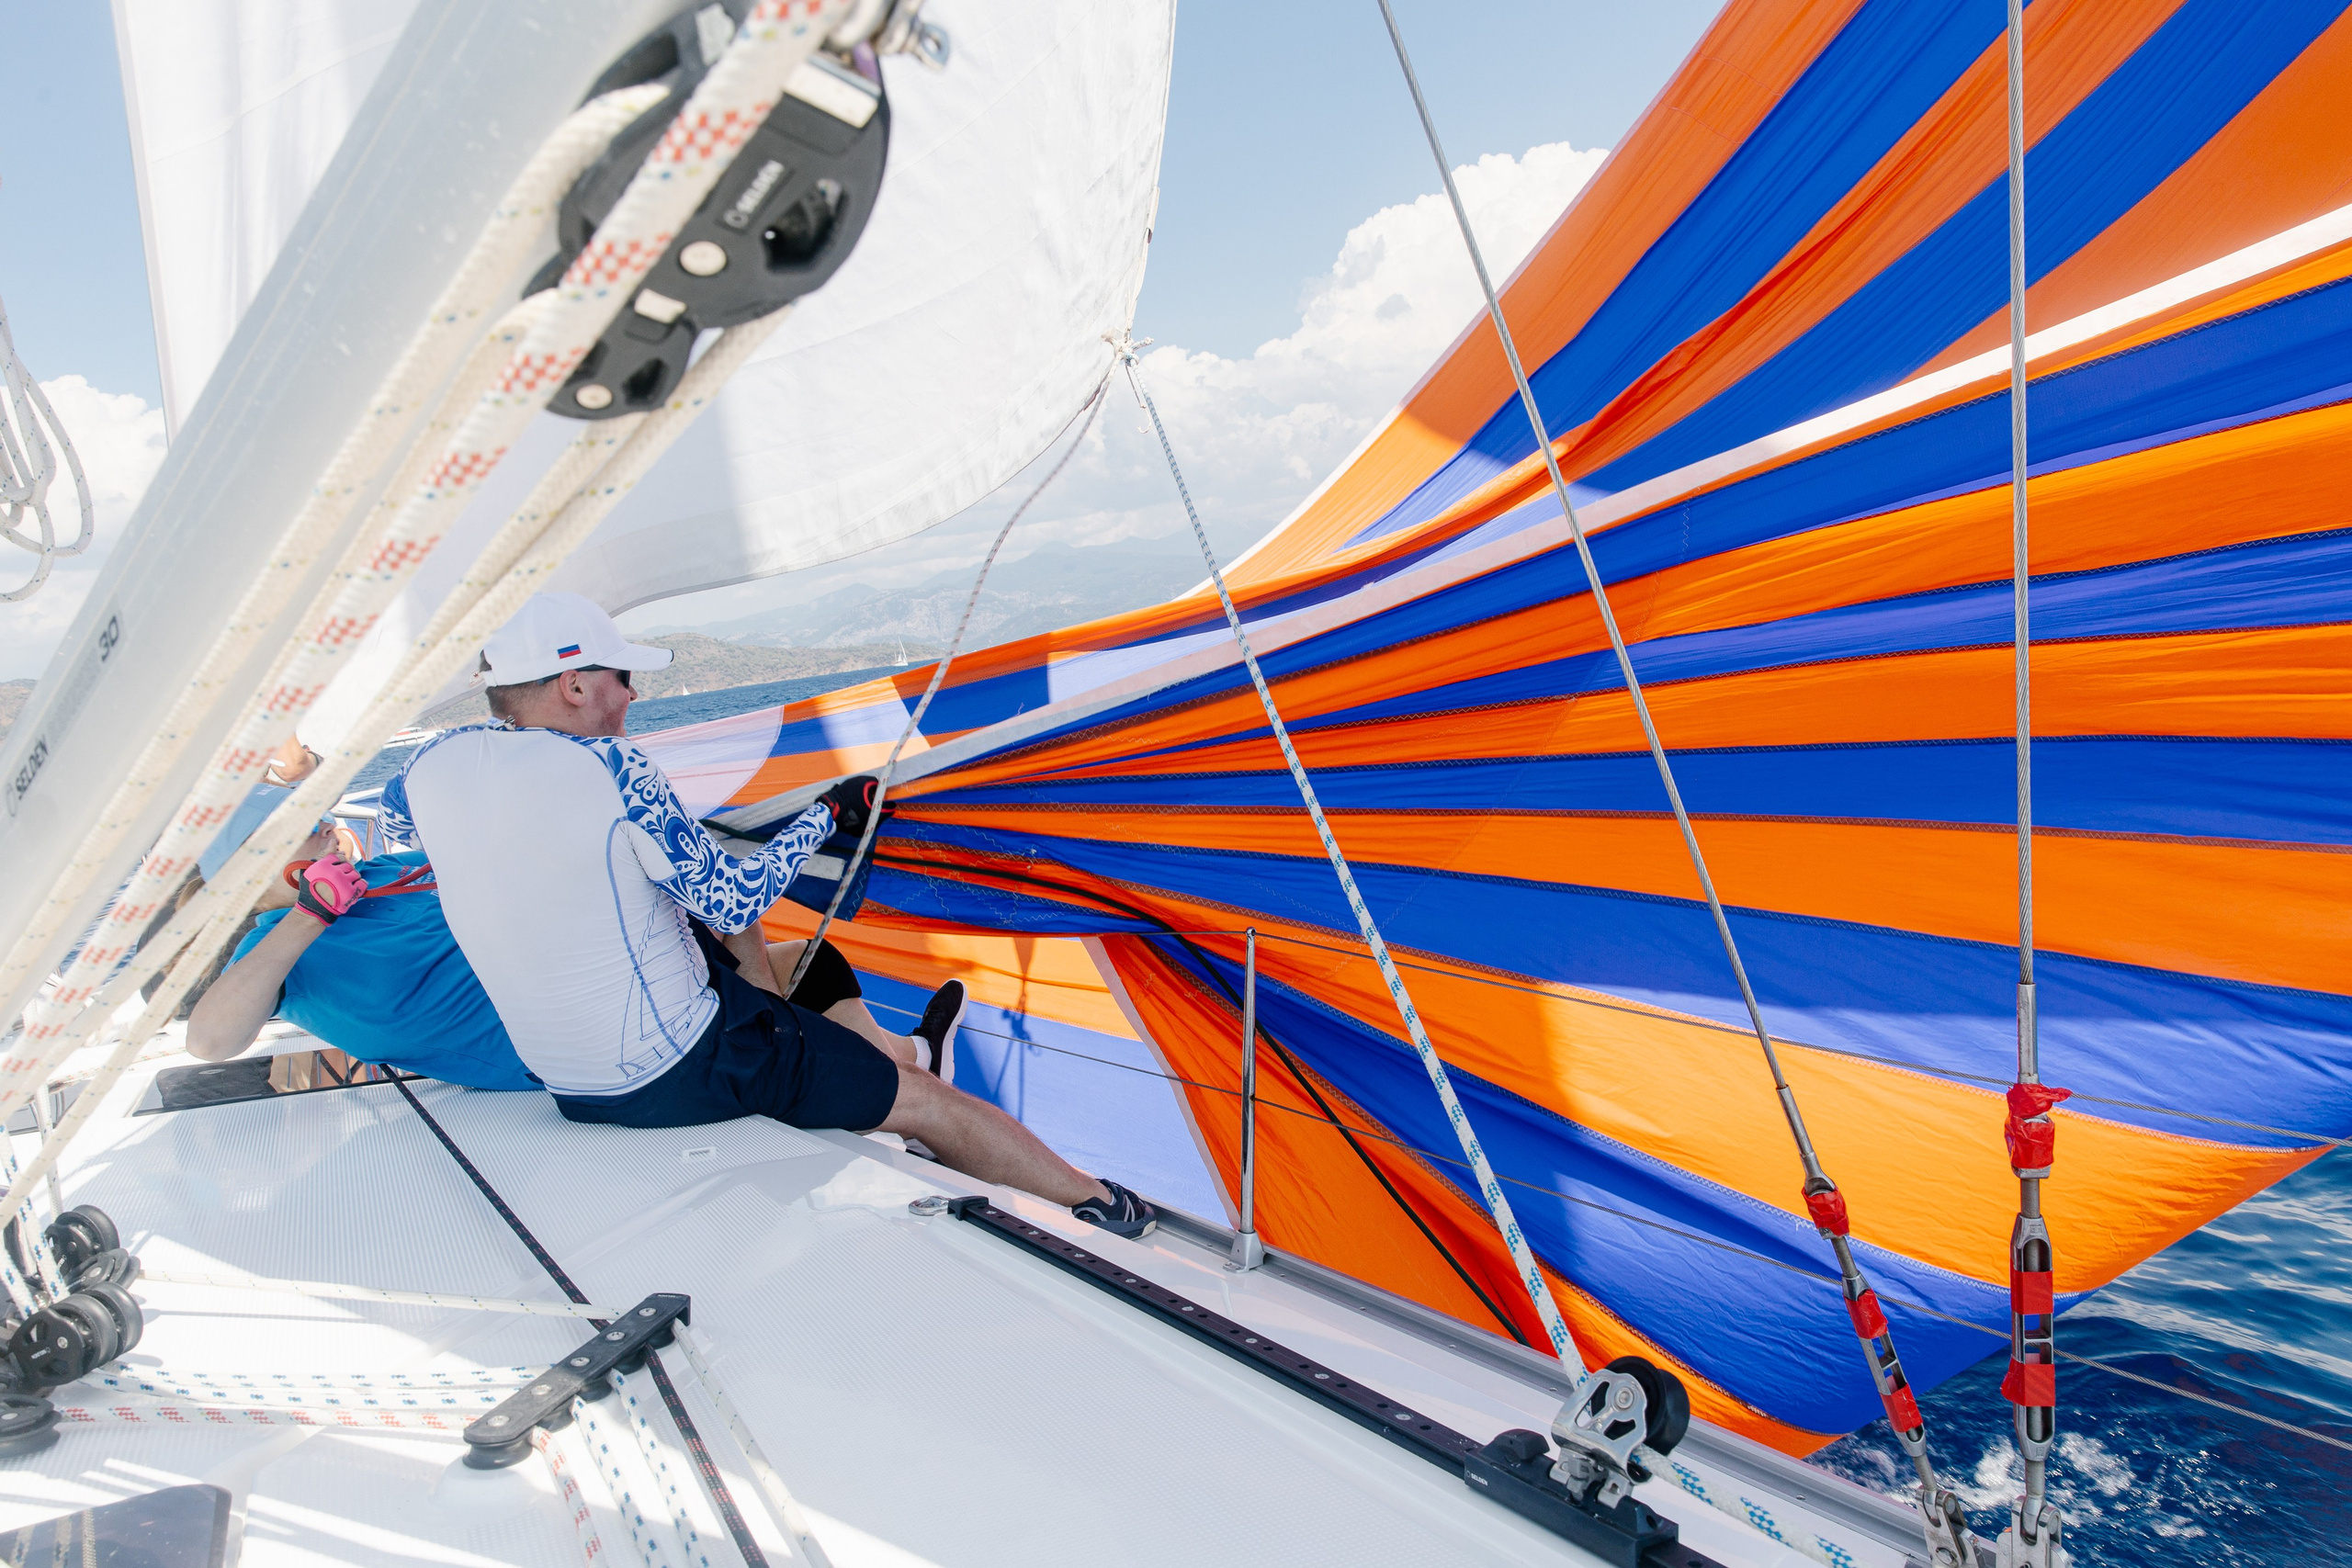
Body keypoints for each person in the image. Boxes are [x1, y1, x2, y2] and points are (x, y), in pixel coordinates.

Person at [380, 592, 1156, 1237]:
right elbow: (730, 902)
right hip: (674, 1069)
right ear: (574, 683)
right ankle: (1099, 1202)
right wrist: (824, 811)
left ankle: (906, 1051)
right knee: (928, 1105)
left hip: (565, 1081)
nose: (632, 695)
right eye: (620, 676)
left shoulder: (423, 769)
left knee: (795, 964)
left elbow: (407, 862)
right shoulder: (609, 766)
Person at [184, 821, 942, 1087]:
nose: (325, 824)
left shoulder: (381, 872)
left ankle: (904, 1063)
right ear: (257, 871)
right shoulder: (273, 951)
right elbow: (209, 1040)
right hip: (575, 1044)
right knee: (766, 960)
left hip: (600, 982)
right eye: (303, 827)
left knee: (806, 954)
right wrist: (311, 914)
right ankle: (895, 1073)